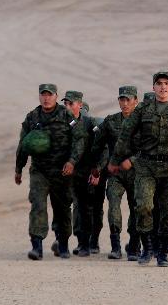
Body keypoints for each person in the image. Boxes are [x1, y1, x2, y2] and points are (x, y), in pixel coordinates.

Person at [108, 71, 168, 267]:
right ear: (153, 87)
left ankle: (163, 253)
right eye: (159, 84)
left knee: (167, 211)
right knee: (143, 206)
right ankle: (147, 247)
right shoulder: (143, 110)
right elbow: (126, 134)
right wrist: (115, 160)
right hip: (146, 166)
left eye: (166, 83)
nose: (163, 87)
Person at [15, 84, 85, 261]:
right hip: (40, 171)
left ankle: (63, 245)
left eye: (50, 95)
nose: (46, 98)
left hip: (62, 171)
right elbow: (23, 144)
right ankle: (36, 246)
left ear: (56, 96)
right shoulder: (32, 117)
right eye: (43, 95)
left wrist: (72, 161)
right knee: (38, 205)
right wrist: (19, 168)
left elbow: (79, 139)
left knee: (62, 208)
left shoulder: (65, 115)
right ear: (39, 96)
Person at [90, 85, 140, 261]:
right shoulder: (111, 121)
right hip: (115, 173)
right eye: (122, 99)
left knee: (137, 209)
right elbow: (98, 145)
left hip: (137, 174)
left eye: (128, 99)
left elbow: (148, 147)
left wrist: (132, 160)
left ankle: (134, 246)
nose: (125, 103)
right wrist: (96, 167)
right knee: (113, 207)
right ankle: (116, 246)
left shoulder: (143, 122)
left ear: (136, 101)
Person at [61, 90, 103, 257]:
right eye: (65, 103)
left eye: (70, 103)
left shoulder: (91, 123)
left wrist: (98, 169)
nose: (67, 107)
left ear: (79, 104)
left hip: (87, 171)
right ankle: (66, 240)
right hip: (69, 172)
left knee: (89, 207)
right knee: (67, 206)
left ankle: (90, 241)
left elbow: (102, 147)